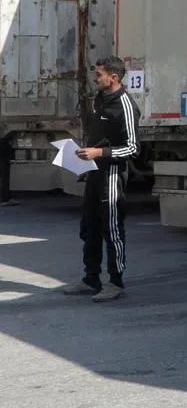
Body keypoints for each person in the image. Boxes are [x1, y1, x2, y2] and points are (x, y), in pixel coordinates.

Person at [59, 56, 140, 302]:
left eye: (99, 75)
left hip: (111, 176)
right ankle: (90, 278)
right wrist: (85, 156)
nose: (95, 79)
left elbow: (133, 148)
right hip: (93, 174)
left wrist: (100, 153)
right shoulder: (100, 100)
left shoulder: (125, 105)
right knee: (89, 227)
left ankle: (115, 282)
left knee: (112, 229)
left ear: (113, 78)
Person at [0, 130, 16, 207]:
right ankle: (5, 200)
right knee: (5, 182)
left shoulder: (3, 142)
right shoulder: (4, 143)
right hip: (4, 163)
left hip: (3, 162)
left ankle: (7, 198)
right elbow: (10, 154)